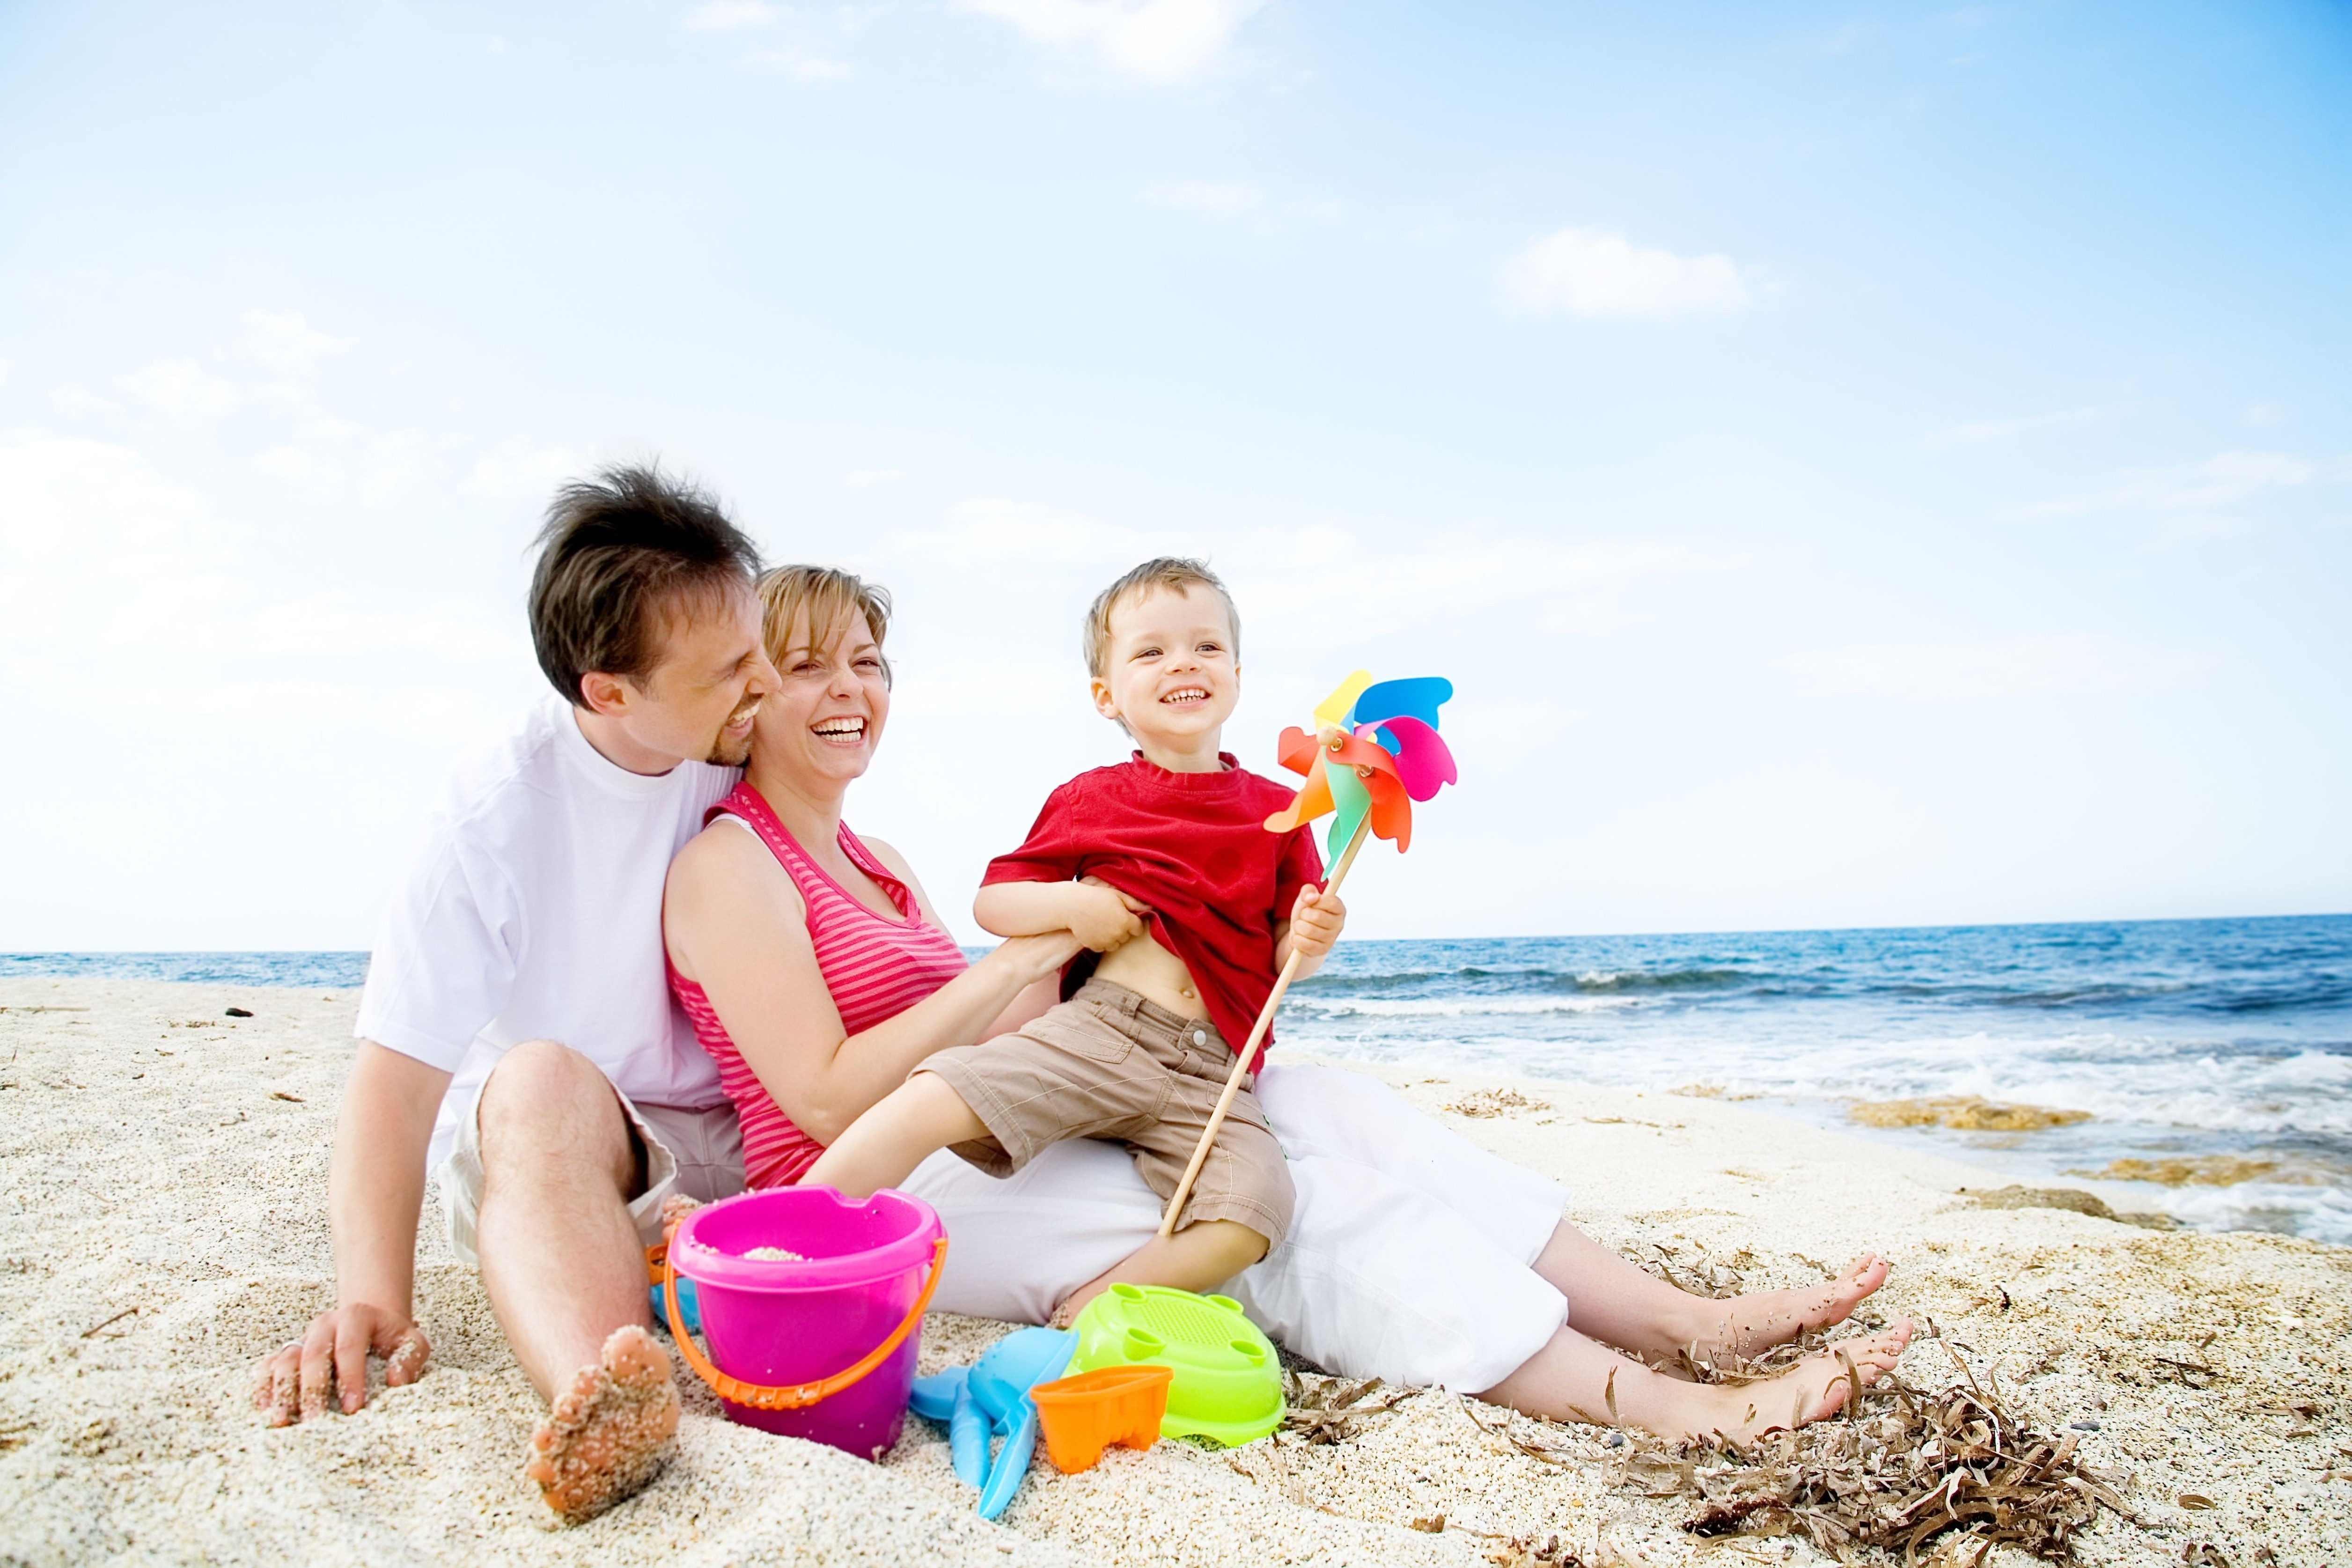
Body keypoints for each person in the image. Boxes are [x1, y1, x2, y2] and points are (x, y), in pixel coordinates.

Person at [665, 558, 1915, 1444]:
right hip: (868, 1203)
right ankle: (1663, 1402)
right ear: (744, 690)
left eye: (870, 661)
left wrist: (1132, 988)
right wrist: (1021, 965)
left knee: (1338, 1106)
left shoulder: (876, 860)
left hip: (1096, 1081)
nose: (849, 687)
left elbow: (1030, 1000)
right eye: (806, 663)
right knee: (1312, 1206)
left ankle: (1679, 1317)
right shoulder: (734, 859)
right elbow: (834, 1090)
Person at [252, 465, 781, 1526]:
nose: (763, 682)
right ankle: (609, 1393)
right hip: (575, 1151)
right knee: (533, 1074)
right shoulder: (497, 810)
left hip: (749, 1134)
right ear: (609, 690)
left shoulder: (741, 744)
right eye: (728, 670)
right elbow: (395, 1084)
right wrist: (372, 1298)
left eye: (759, 645)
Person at [794, 559, 1343, 1315]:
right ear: (1106, 695)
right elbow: (998, 902)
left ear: (1238, 673)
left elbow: (1288, 957)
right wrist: (1075, 908)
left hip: (1217, 1069)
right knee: (934, 1096)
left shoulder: (1283, 811)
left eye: (1206, 647)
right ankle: (779, 1239)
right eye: (1151, 651)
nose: (1184, 662)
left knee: (1255, 1206)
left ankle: (1084, 1313)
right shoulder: (1092, 797)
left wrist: (1312, 939)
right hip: (1104, 1030)